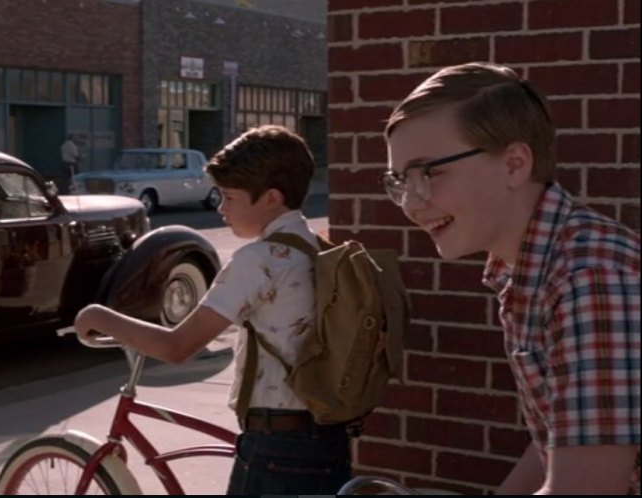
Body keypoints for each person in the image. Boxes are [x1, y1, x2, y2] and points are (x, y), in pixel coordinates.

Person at [382, 62, 640, 495]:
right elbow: (558, 441)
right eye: (399, 180)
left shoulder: (589, 279)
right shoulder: (527, 268)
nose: (410, 203)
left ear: (515, 164)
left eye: (428, 173)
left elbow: (586, 488)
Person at [74, 125, 352, 495]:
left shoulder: (258, 260)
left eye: (230, 197)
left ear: (271, 198)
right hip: (325, 437)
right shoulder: (317, 246)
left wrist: (99, 315)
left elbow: (178, 347)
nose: (221, 209)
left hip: (277, 446)